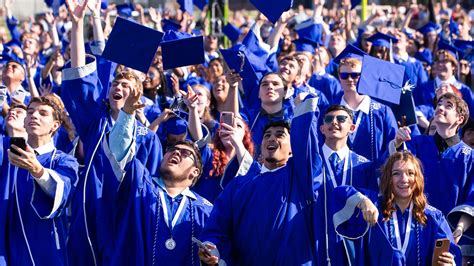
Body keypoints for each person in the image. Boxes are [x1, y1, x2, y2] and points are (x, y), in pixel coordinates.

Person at [61, 1, 162, 264]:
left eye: (126, 83)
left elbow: (150, 184)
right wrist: (76, 24)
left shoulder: (148, 138)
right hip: (91, 208)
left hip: (126, 214)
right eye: (116, 82)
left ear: (138, 93)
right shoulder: (95, 120)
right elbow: (81, 77)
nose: (118, 85)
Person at [198, 94, 322, 265]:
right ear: (261, 148)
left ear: (293, 150)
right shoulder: (238, 185)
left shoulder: (299, 176)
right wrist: (212, 247)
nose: (272, 138)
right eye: (267, 135)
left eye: (280, 135)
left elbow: (307, 144)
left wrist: (303, 107)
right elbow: (218, 226)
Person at [101, 84, 213, 265]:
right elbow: (117, 152)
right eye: (171, 150)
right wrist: (127, 114)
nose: (176, 153)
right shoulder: (139, 183)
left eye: (185, 154)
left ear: (195, 173)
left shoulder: (205, 210)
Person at [332, 151, 462, 265]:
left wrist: (449, 263)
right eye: (396, 174)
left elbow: (450, 253)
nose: (404, 179)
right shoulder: (375, 207)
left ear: (418, 179)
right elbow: (339, 192)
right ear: (388, 178)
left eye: (410, 173)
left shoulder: (433, 217)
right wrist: (363, 201)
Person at [393, 93, 473, 260]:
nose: (440, 108)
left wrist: (459, 229)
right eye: (438, 105)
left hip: (450, 233)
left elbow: (472, 197)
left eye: (448, 106)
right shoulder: (415, 144)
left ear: (460, 118)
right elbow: (396, 175)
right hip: (413, 225)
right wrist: (398, 144)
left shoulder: (469, 157)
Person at [0, 96, 79, 265]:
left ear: (55, 125)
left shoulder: (64, 161)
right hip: (5, 250)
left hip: (44, 252)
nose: (34, 116)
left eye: (43, 113)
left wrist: (37, 170)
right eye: (30, 112)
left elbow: (63, 193)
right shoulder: (5, 150)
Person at [315, 104, 377, 265]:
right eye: (329, 119)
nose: (334, 122)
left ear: (352, 127)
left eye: (341, 119)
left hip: (352, 248)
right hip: (315, 243)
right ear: (322, 128)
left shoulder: (364, 166)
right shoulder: (312, 164)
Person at [336, 46, 398, 162]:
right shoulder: (330, 111)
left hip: (374, 177)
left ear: (364, 76)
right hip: (338, 178)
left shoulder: (382, 112)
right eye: (345, 75)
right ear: (339, 76)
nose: (350, 79)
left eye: (355, 75)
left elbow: (394, 147)